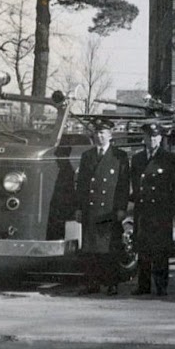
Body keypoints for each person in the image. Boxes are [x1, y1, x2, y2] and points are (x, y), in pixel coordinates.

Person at [75, 119, 132, 295]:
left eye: (103, 133)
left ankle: (111, 283)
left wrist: (121, 208)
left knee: (110, 248)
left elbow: (123, 185)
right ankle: (92, 283)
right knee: (91, 248)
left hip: (110, 209)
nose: (100, 136)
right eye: (97, 133)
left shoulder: (119, 156)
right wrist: (79, 208)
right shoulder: (87, 156)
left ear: (110, 135)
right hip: (91, 210)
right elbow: (82, 185)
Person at [130, 121, 175, 296]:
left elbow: (174, 186)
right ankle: (143, 285)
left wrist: (172, 210)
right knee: (143, 249)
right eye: (149, 136)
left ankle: (161, 286)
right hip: (143, 209)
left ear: (161, 138)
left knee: (160, 250)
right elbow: (135, 183)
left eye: (156, 136)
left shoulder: (169, 158)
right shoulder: (137, 158)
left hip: (161, 210)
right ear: (144, 138)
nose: (152, 140)